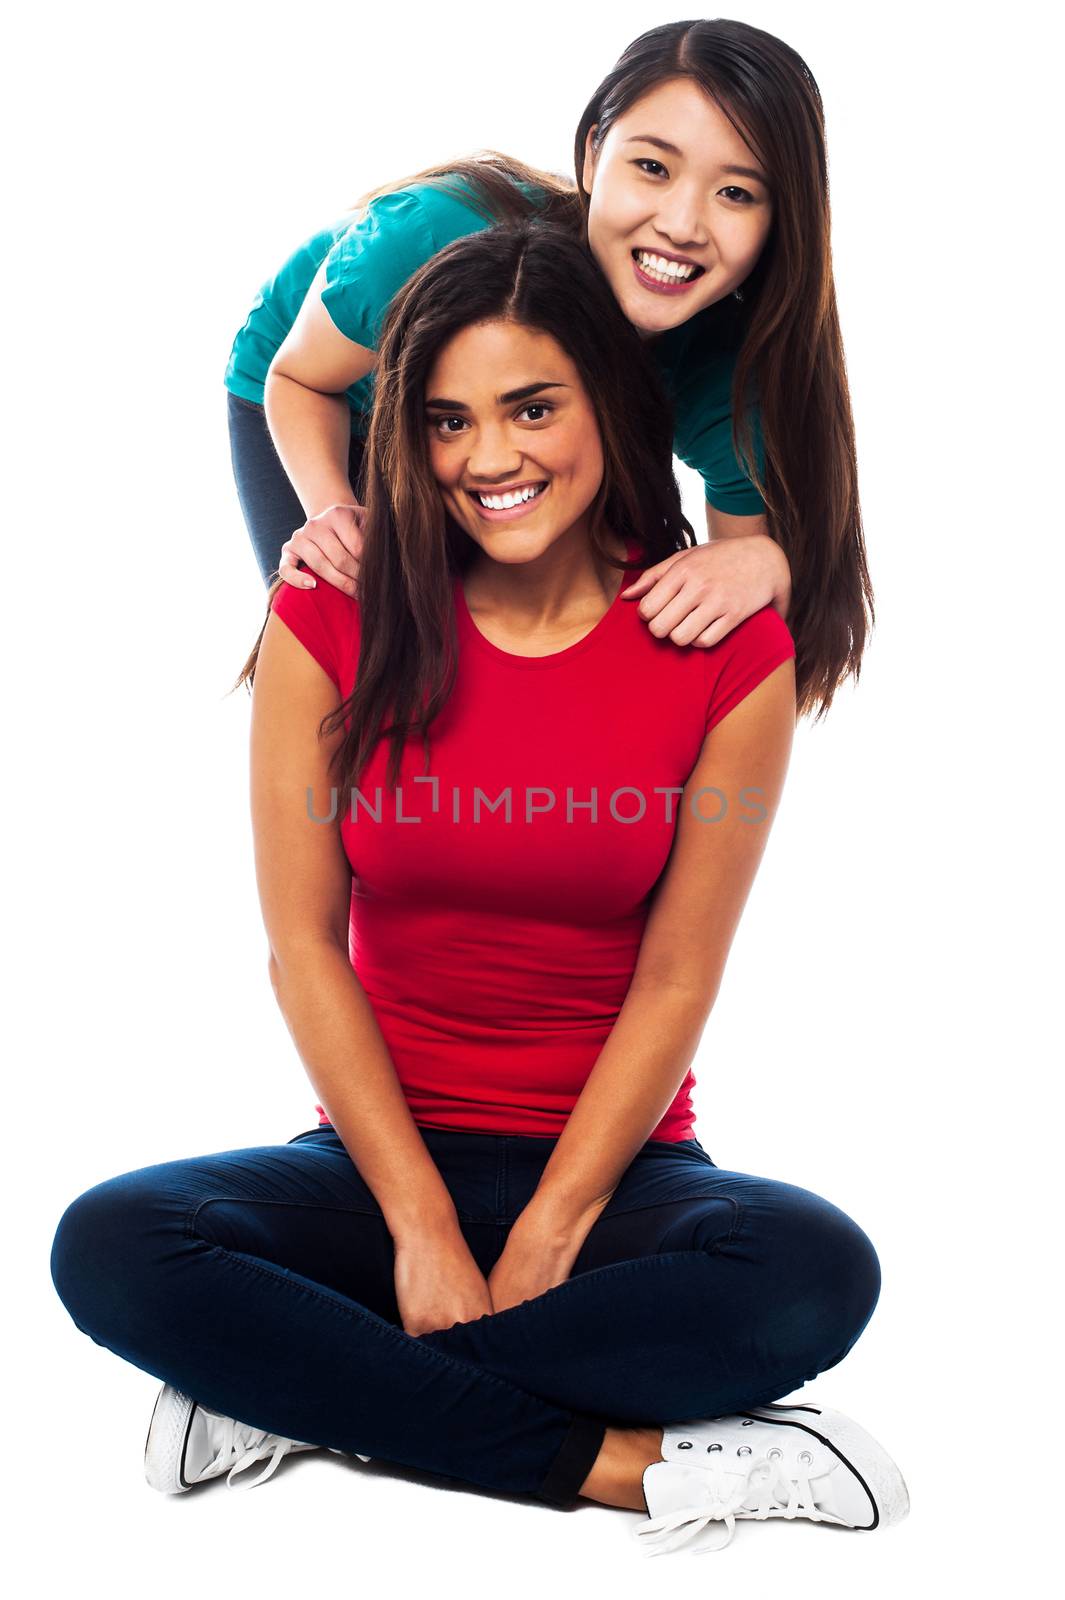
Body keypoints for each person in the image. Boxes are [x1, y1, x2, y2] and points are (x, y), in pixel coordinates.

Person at [51, 221, 907, 1557]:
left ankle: (308, 1390)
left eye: (530, 408)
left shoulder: (720, 643)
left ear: (611, 410)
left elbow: (681, 973)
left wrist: (552, 1228)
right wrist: (418, 1228)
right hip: (375, 1161)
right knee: (110, 1244)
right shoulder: (329, 613)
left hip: (621, 1175)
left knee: (813, 1276)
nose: (489, 459)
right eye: (447, 421)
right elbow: (302, 950)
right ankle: (631, 1471)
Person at [226, 19, 871, 722]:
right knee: (364, 661)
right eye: (652, 167)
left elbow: (734, 595)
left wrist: (768, 565)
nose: (682, 225)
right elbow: (297, 379)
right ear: (594, 154)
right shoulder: (427, 239)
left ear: (782, 221)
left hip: (522, 431)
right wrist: (334, 511)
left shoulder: (724, 370)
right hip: (329, 393)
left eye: (736, 194)